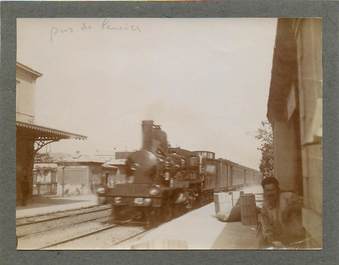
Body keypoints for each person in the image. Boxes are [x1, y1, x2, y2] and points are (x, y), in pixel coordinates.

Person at [258, 177, 305, 248]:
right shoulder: (265, 207)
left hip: (297, 239)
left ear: (277, 190)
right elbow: (266, 227)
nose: (270, 193)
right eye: (267, 190)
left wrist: (289, 209)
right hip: (281, 241)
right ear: (264, 191)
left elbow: (305, 205)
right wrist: (271, 239)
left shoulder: (288, 197)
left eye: (272, 190)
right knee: (261, 242)